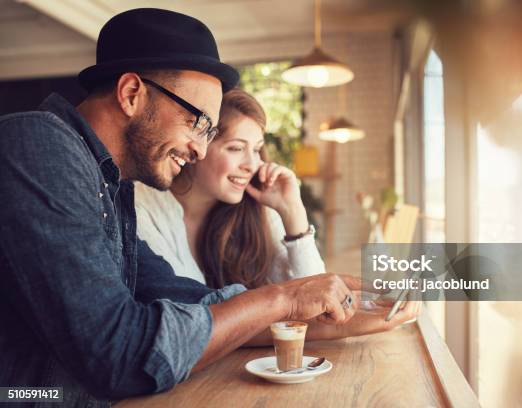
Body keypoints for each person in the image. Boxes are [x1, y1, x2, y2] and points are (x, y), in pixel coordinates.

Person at [0, 8, 418, 407]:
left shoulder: (110, 184)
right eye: (198, 123)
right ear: (131, 94)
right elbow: (119, 354)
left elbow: (199, 306)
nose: (201, 149)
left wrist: (367, 315)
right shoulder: (37, 147)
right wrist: (283, 300)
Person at [135, 88, 324, 287]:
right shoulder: (143, 207)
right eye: (236, 148)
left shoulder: (258, 212)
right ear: (198, 146)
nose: (251, 165)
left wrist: (293, 211)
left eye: (256, 149)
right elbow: (180, 305)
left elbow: (316, 299)